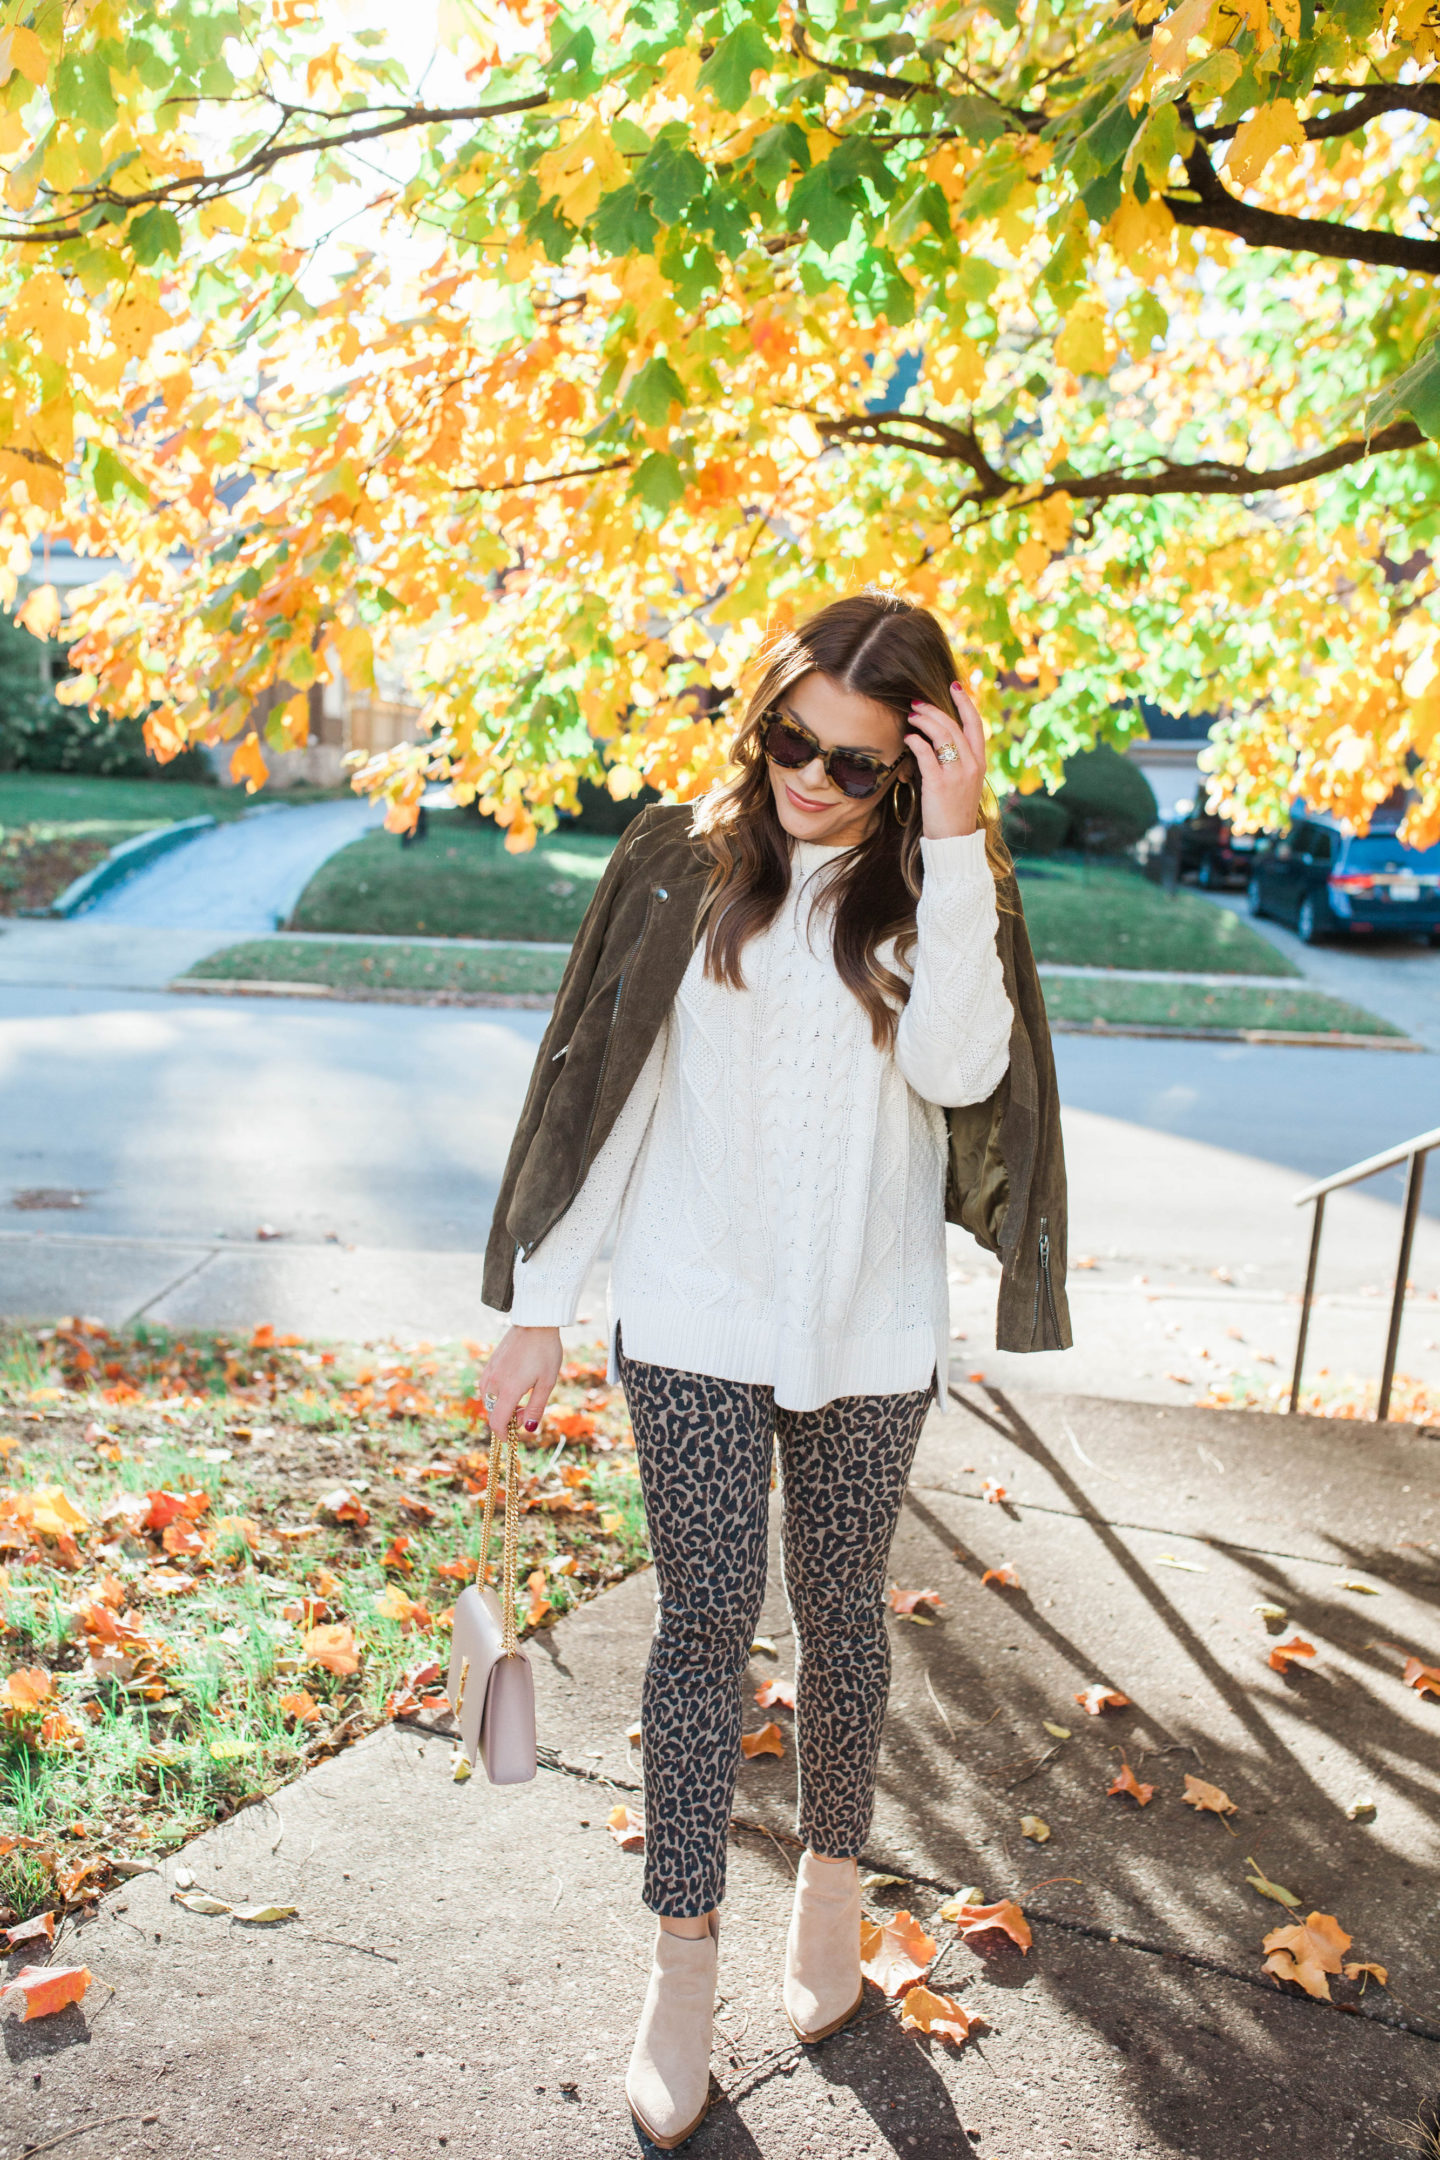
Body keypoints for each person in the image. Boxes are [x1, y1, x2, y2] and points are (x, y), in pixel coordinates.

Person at [478, 588, 1070, 2150]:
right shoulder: (688, 863)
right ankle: (682, 1971)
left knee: (845, 1623)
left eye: (859, 764)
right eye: (792, 741)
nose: (812, 780)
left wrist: (949, 841)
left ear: (915, 764)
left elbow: (962, 1073)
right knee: (701, 1631)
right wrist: (539, 1305)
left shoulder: (950, 892)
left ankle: (830, 1889)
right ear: (763, 718)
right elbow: (603, 1097)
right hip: (690, 1320)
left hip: (869, 1335)